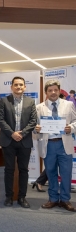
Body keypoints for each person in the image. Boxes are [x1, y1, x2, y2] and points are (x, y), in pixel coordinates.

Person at [35, 79, 76, 211]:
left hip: (64, 144)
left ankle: (65, 200)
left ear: (59, 91)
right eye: (50, 90)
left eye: (55, 90)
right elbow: (34, 127)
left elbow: (75, 121)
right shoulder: (39, 107)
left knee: (66, 173)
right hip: (48, 145)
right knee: (51, 172)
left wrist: (71, 127)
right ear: (46, 92)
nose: (53, 92)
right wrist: (36, 129)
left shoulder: (69, 105)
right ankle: (53, 199)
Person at [0, 76, 36, 208]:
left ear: (24, 87)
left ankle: (22, 197)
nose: (18, 87)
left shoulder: (31, 102)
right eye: (16, 85)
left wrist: (22, 133)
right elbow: (0, 120)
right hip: (8, 140)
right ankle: (9, 197)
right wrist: (12, 133)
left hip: (24, 141)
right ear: (11, 87)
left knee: (24, 170)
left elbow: (33, 121)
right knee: (9, 169)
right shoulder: (4, 101)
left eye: (21, 85)